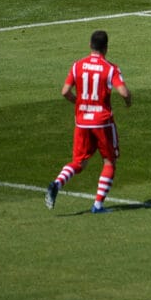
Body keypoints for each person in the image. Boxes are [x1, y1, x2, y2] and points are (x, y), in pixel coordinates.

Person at [45, 30, 132, 214]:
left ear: (90, 45)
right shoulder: (110, 68)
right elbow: (123, 92)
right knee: (109, 162)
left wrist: (78, 102)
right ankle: (98, 205)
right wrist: (128, 101)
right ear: (106, 48)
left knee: (79, 162)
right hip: (102, 122)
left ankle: (57, 183)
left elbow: (65, 91)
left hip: (82, 122)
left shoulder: (77, 66)